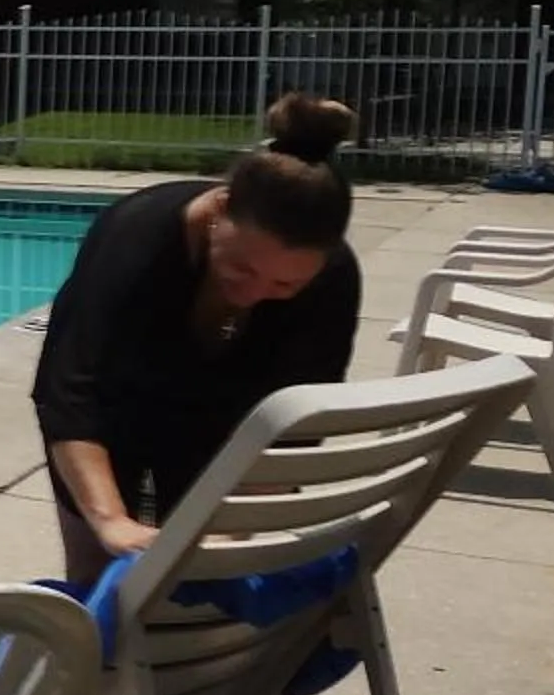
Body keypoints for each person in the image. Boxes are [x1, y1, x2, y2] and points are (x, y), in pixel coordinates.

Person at [33, 93, 363, 584]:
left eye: (284, 286)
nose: (253, 294)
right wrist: (110, 521)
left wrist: (227, 536)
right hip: (115, 401)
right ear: (219, 207)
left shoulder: (333, 276)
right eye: (239, 269)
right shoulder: (135, 240)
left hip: (229, 405)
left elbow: (295, 424)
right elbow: (70, 392)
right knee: (97, 572)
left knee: (198, 579)